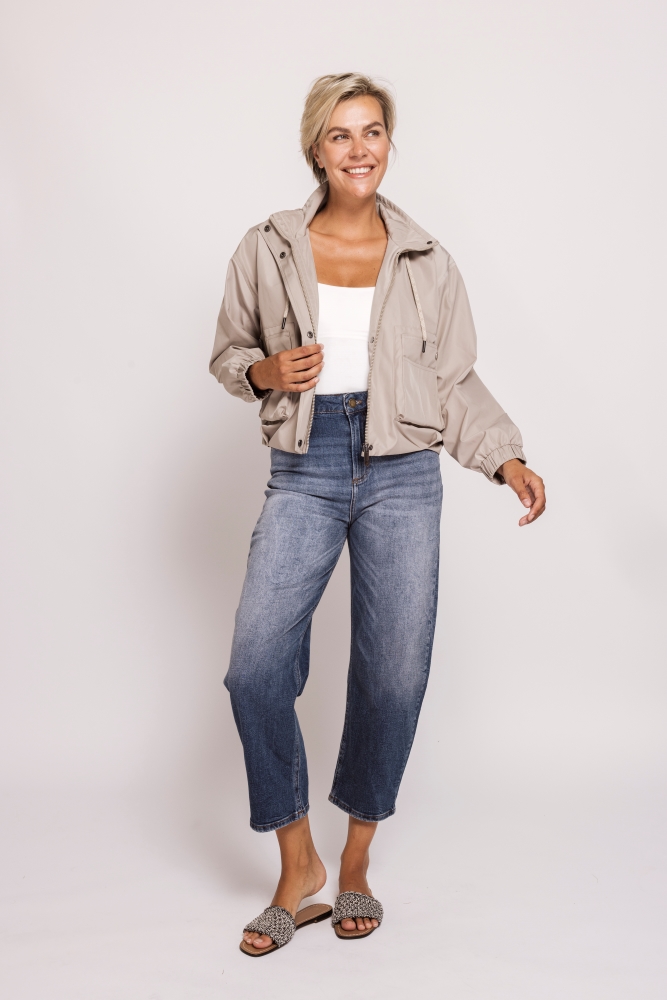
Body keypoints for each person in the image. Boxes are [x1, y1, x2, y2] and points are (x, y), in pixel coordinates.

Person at [210, 72, 546, 956]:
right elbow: (230, 352)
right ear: (315, 149)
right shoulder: (268, 246)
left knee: (393, 675)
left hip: (403, 472)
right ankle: (298, 866)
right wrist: (264, 373)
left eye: (372, 132)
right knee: (254, 668)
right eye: (340, 134)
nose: (359, 149)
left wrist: (503, 456)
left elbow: (453, 380)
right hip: (305, 466)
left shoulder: (426, 259)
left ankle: (355, 859)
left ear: (388, 144)